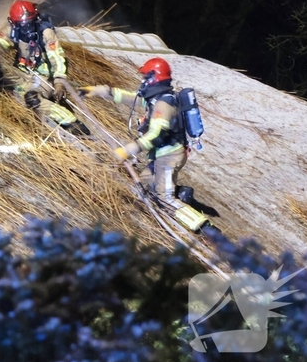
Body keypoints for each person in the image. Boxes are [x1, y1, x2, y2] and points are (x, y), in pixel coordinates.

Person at [80, 57, 211, 233]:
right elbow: (132, 98)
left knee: (164, 198)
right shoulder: (156, 99)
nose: (142, 82)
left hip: (169, 157)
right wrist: (103, 91)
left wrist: (129, 149)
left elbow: (155, 136)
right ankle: (181, 193)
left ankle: (204, 228)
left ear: (154, 78)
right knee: (144, 185)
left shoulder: (163, 105)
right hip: (161, 155)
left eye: (145, 78)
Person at [0, 0, 84, 132]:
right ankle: (18, 92)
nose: (27, 29)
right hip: (22, 73)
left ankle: (70, 121)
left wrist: (59, 82)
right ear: (14, 23)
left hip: (42, 78)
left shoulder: (46, 33)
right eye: (22, 25)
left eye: (30, 24)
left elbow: (58, 58)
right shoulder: (13, 31)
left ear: (36, 19)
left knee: (31, 97)